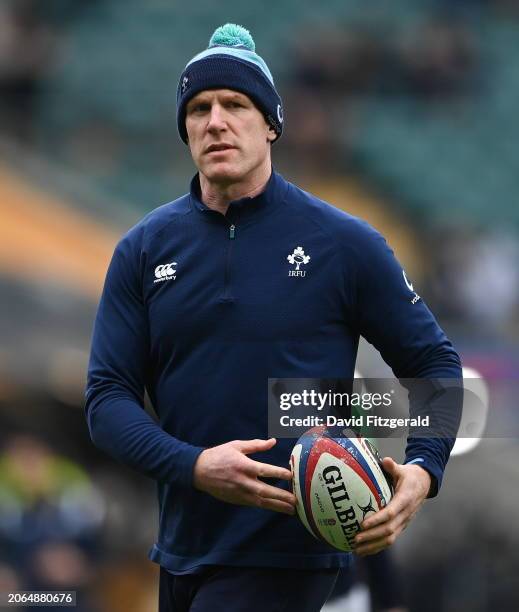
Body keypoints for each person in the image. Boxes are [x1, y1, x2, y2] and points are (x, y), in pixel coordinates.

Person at [85, 23, 462, 612]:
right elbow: (106, 399)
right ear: (184, 129)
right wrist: (195, 466)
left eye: (236, 104)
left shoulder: (345, 244)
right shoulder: (143, 249)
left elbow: (435, 364)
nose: (216, 121)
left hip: (292, 554)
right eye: (199, 108)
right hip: (182, 549)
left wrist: (423, 469)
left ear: (271, 125)